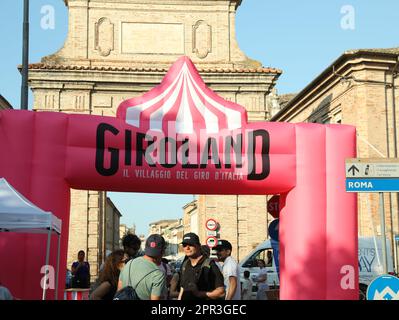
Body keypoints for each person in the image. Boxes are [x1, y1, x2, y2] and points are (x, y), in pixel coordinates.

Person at [117, 234, 166, 300]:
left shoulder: (129, 263)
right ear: (163, 251)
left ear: (146, 248)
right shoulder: (158, 275)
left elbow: (119, 291)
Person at [178, 233, 225, 300]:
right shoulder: (185, 264)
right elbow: (182, 288)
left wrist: (199, 294)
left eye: (191, 245)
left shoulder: (209, 265)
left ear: (198, 246)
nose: (187, 248)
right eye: (185, 245)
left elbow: (221, 292)